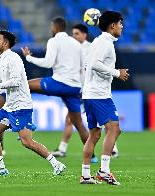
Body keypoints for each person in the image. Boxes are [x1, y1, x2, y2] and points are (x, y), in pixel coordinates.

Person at [0, 30, 66, 176]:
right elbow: (5, 84)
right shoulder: (3, 58)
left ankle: (56, 164)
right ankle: (1, 168)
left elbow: (15, 82)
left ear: (5, 43)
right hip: (9, 106)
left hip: (21, 106)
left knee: (27, 142)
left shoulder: (13, 58)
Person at [21, 17, 95, 161]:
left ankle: (27, 122)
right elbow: (82, 68)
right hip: (74, 88)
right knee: (79, 124)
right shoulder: (76, 44)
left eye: (51, 27)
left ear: (54, 27)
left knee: (24, 85)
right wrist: (82, 88)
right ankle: (92, 156)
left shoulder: (53, 41)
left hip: (59, 82)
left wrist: (29, 58)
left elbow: (48, 63)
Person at [79, 11, 129, 185]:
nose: (122, 26)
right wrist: (117, 73)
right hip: (99, 94)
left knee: (95, 133)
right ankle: (104, 171)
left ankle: (85, 174)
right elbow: (94, 65)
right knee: (114, 128)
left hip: (90, 93)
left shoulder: (97, 42)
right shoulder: (105, 43)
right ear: (113, 25)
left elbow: (88, 64)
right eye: (120, 23)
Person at [51, 24, 97, 163]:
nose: (74, 36)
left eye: (77, 33)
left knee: (98, 121)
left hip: (88, 90)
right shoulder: (73, 47)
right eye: (73, 33)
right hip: (78, 89)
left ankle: (106, 151)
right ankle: (63, 148)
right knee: (72, 120)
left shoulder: (91, 48)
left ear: (84, 35)